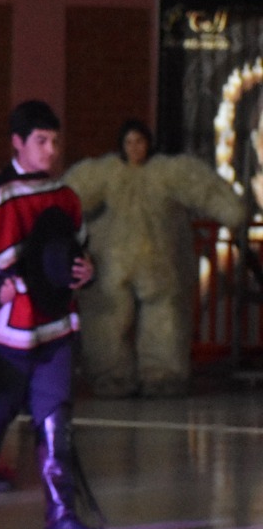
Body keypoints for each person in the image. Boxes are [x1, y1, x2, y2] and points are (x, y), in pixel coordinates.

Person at [0, 100, 104, 529]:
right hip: (7, 334)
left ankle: (63, 518)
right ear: (17, 142)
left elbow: (79, 253)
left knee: (56, 423)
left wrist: (88, 272)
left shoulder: (66, 196)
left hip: (57, 329)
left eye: (56, 141)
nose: (52, 150)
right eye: (41, 141)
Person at [63, 118, 249, 397]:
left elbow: (202, 187)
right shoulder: (106, 173)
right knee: (107, 317)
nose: (134, 148)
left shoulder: (166, 171)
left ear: (148, 143)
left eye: (139, 142)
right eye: (129, 142)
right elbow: (70, 195)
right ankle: (111, 376)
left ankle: (162, 376)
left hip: (160, 263)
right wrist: (52, 225)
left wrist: (232, 211)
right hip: (112, 261)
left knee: (165, 317)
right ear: (121, 145)